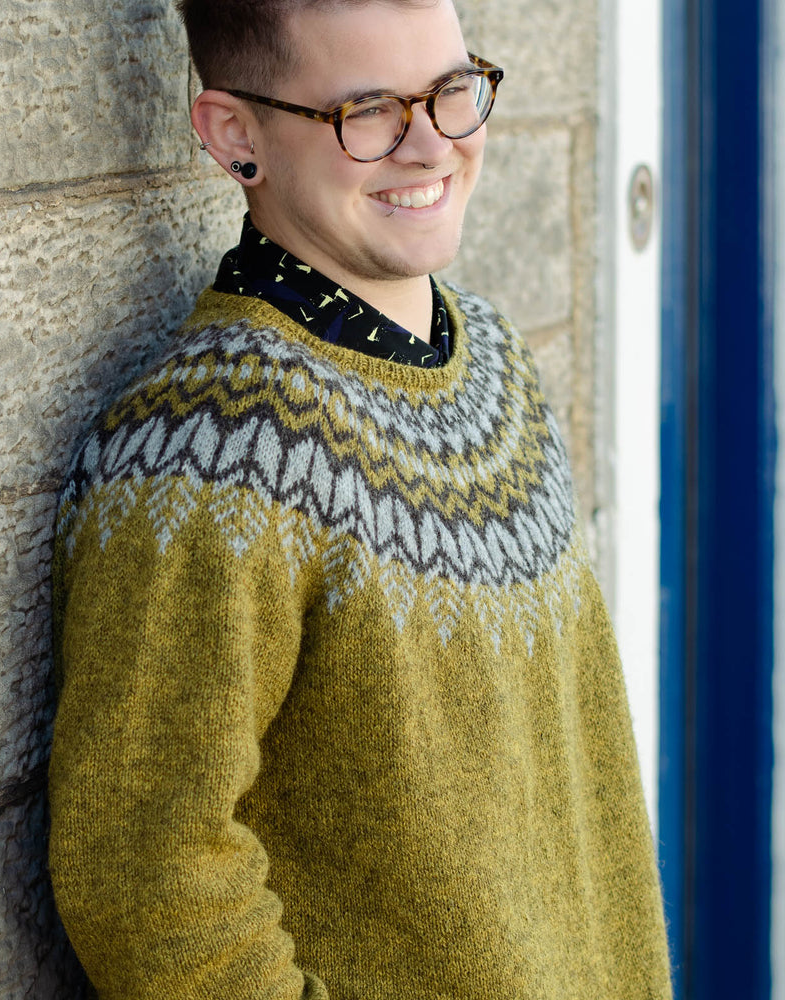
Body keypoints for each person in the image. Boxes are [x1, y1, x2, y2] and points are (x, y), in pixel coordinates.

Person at [48, 0, 673, 997]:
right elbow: (146, 871)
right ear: (234, 136)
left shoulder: (493, 362)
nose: (432, 146)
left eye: (450, 91)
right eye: (369, 110)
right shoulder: (212, 452)